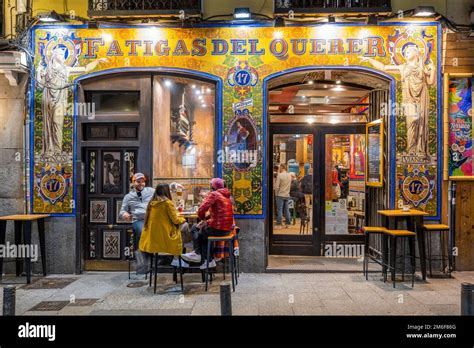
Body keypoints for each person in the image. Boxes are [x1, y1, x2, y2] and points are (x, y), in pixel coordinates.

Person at [360, 43, 435, 158]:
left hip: (422, 96)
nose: (406, 54)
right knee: (411, 122)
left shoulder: (422, 67)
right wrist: (370, 60)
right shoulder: (402, 67)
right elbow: (384, 67)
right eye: (404, 53)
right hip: (409, 99)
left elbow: (430, 82)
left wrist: (433, 69)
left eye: (408, 51)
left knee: (421, 123)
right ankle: (411, 151)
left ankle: (421, 151)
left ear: (416, 53)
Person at [181, 178, 234, 269]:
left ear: (213, 187)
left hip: (217, 229)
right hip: (227, 230)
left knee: (195, 229)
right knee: (203, 233)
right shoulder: (227, 196)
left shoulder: (214, 194)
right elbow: (219, 214)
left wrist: (203, 219)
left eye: (211, 186)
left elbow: (201, 209)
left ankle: (197, 253)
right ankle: (209, 260)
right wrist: (205, 221)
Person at [139, 183, 188, 268]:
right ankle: (177, 257)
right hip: (165, 238)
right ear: (166, 191)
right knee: (186, 225)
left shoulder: (152, 203)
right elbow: (176, 220)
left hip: (152, 240)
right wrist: (183, 219)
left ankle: (178, 257)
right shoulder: (167, 203)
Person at [119, 173, 155, 275]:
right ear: (133, 182)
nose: (141, 184)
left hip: (152, 220)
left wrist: (174, 186)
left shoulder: (151, 191)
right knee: (143, 230)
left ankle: (154, 259)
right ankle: (143, 263)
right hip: (138, 220)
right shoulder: (128, 197)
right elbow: (122, 211)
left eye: (142, 181)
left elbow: (163, 191)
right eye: (138, 181)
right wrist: (125, 214)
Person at [274, 163, 292, 228]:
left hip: (280, 195)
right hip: (287, 195)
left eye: (279, 167)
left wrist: (276, 194)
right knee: (287, 210)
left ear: (281, 167)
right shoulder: (289, 175)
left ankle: (279, 224)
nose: (279, 169)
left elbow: (276, 187)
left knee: (280, 210)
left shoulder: (280, 175)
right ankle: (288, 223)